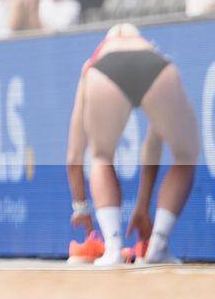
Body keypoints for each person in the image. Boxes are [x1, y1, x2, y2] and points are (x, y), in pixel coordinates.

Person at [65, 24, 199, 266]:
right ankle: (157, 246)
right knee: (185, 155)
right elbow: (153, 144)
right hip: (156, 68)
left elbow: (74, 154)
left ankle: (114, 248)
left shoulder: (91, 65)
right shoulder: (149, 50)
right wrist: (142, 206)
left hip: (105, 71)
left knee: (101, 156)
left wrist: (81, 209)